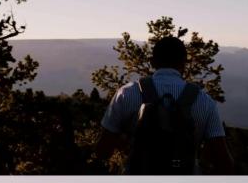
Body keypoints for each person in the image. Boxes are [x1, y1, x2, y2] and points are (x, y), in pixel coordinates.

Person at [97, 36, 234, 174]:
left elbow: (102, 151)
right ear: (184, 63)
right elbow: (223, 162)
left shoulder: (125, 94)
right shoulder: (205, 102)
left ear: (152, 62)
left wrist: (129, 142)